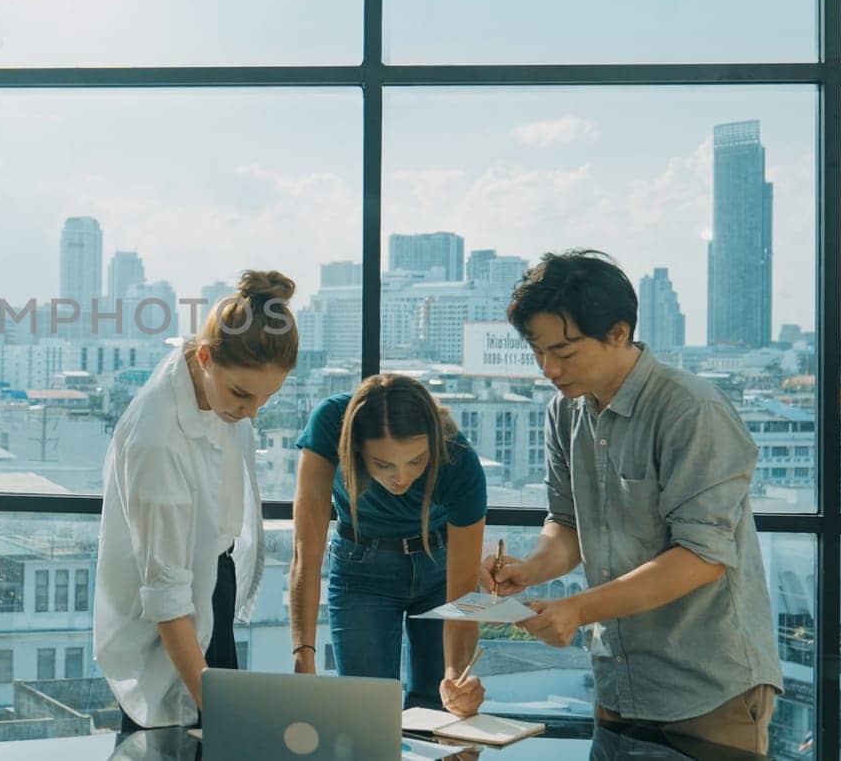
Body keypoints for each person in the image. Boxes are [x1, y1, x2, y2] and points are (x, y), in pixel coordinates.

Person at [481, 250, 781, 754]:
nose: (550, 369)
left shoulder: (690, 409)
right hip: (617, 683)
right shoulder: (565, 411)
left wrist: (576, 608)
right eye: (538, 352)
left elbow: (702, 557)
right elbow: (569, 524)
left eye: (566, 351)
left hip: (707, 688)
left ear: (618, 333)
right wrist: (531, 569)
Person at [93, 270, 301, 733]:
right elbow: (166, 597)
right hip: (171, 613)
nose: (250, 412)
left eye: (267, 398)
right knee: (178, 734)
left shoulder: (207, 371)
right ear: (205, 357)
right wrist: (221, 710)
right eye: (242, 395)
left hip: (210, 584)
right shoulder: (158, 439)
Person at [288, 374, 489, 715]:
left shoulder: (460, 462)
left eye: (416, 461)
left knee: (438, 708)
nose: (402, 477)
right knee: (367, 713)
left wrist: (455, 676)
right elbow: (305, 558)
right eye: (383, 464)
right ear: (356, 447)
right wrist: (303, 656)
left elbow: (464, 599)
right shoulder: (330, 425)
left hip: (440, 567)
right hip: (361, 569)